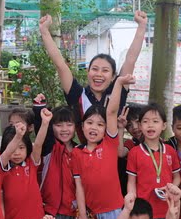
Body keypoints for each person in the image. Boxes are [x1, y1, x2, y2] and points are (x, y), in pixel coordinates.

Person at [38, 11, 148, 142]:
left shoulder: (118, 91)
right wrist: (44, 31)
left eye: (105, 70)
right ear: (88, 72)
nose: (99, 74)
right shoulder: (77, 95)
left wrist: (141, 26)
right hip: (84, 153)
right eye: (95, 69)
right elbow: (60, 65)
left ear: (113, 77)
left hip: (112, 153)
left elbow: (130, 59)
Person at [72, 74, 133, 219]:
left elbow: (112, 111)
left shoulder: (109, 144)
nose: (94, 127)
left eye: (100, 124)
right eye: (89, 123)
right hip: (90, 214)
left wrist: (118, 83)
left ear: (106, 128)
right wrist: (81, 213)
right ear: (82, 126)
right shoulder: (77, 153)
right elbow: (79, 186)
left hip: (113, 212)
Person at [38, 105, 79, 219]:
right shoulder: (50, 148)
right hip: (52, 213)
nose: (64, 129)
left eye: (69, 124)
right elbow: (41, 138)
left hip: (75, 213)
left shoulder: (80, 151)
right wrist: (40, 109)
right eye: (59, 125)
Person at [0, 117, 50, 219]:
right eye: (13, 148)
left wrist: (45, 123)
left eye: (21, 147)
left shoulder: (31, 163)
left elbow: (38, 144)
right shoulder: (1, 167)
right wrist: (18, 136)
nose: (17, 153)